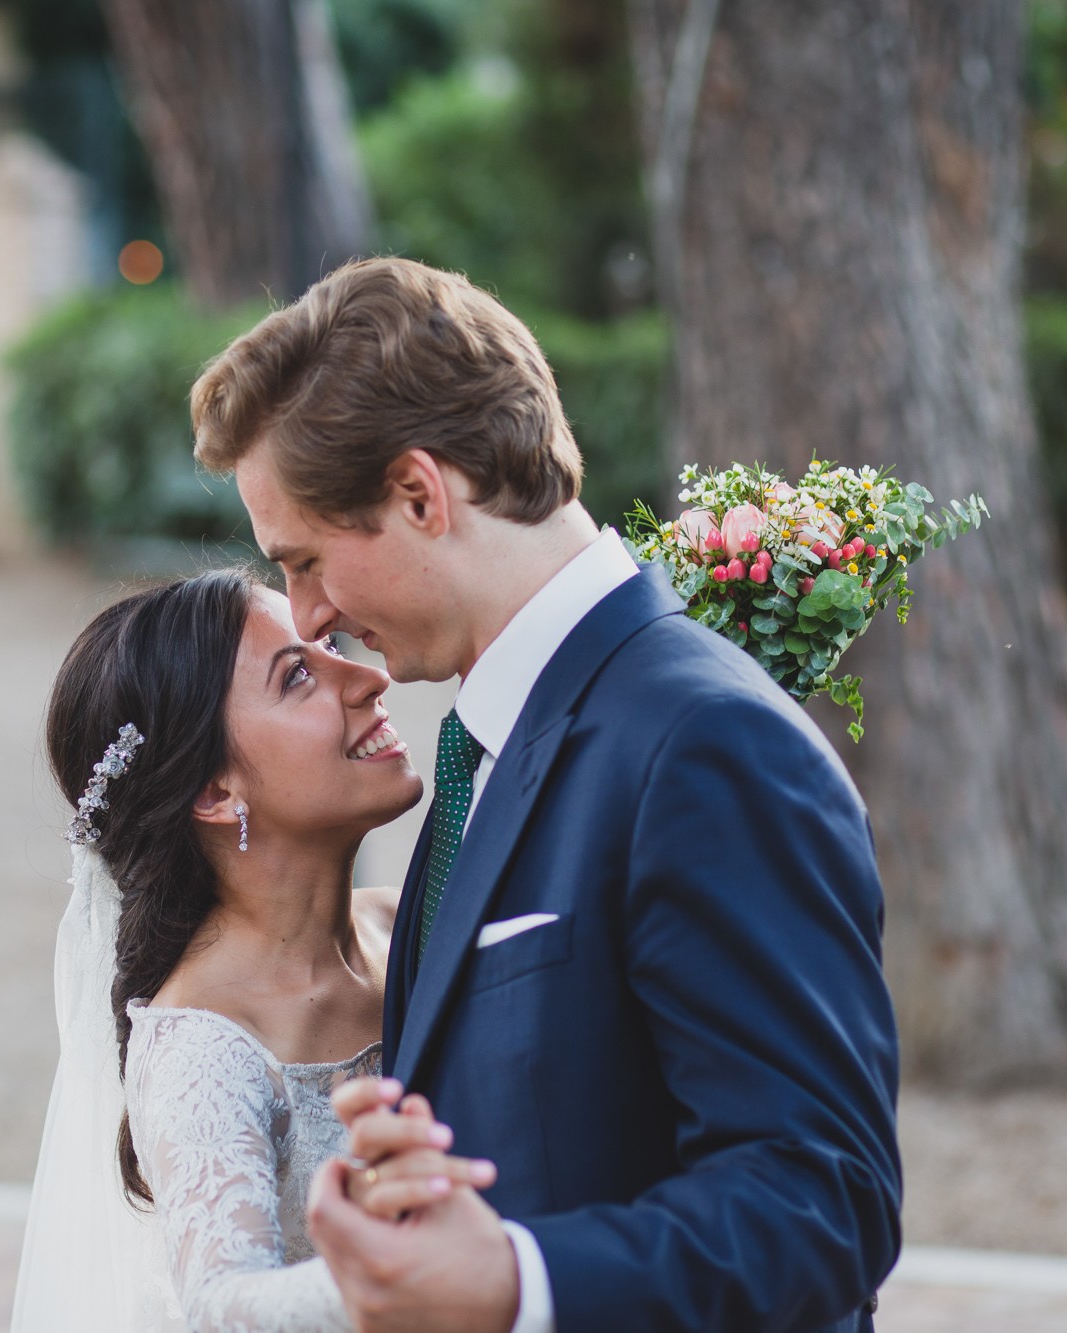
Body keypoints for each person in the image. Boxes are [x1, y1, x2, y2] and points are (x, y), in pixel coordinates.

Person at [187, 256, 904, 1332]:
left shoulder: (705, 743)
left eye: (303, 561)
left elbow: (823, 1202)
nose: (308, 615)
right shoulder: (478, 751)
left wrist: (519, 1279)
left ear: (420, 494)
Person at [12, 570, 490, 1332]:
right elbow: (223, 1303)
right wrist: (385, 1272)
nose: (368, 676)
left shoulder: (411, 921)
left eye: (329, 645)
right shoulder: (204, 1045)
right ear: (215, 791)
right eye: (299, 675)